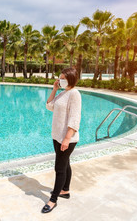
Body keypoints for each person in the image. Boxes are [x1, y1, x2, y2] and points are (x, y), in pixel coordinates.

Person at [42, 67, 82, 213]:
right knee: (65, 164)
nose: (60, 80)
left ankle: (53, 200)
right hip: (57, 136)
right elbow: (49, 105)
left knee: (59, 168)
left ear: (70, 79)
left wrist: (66, 138)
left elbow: (75, 118)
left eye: (63, 78)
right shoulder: (62, 93)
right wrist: (54, 89)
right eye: (60, 78)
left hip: (67, 139)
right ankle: (65, 190)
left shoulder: (74, 94)